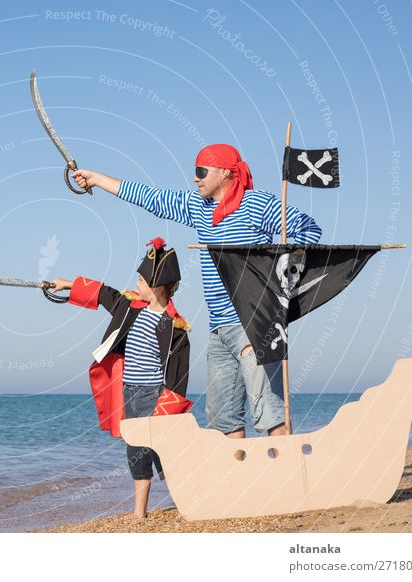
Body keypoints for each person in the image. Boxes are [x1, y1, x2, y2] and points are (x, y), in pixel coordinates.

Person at [71, 144, 322, 439]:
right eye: (195, 172)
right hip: (219, 330)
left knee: (269, 412)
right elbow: (152, 198)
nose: (196, 178)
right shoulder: (199, 207)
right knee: (223, 419)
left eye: (201, 171)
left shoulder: (258, 205)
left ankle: (286, 476)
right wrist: (97, 179)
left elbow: (309, 229)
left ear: (226, 172)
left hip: (254, 325)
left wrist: (276, 271)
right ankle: (235, 482)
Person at [51, 237, 193, 518]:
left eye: (142, 281)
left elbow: (179, 375)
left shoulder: (175, 327)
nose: (136, 284)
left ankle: (188, 502)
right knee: (136, 451)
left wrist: (170, 407)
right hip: (129, 392)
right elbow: (105, 293)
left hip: (155, 395)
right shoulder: (130, 307)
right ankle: (139, 511)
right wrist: (67, 284)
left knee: (163, 451)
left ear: (158, 287)